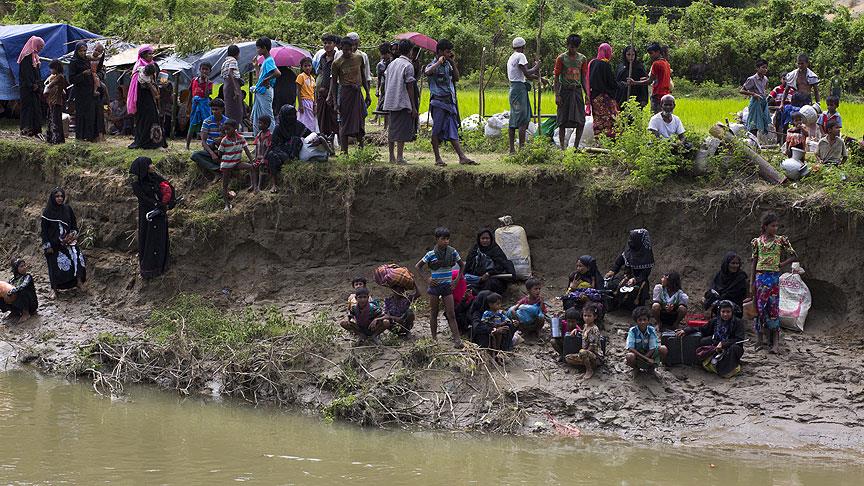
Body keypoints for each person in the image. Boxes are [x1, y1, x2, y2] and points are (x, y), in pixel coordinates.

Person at [425, 39, 477, 166]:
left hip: (449, 102)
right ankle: (438, 158)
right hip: (438, 102)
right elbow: (427, 72)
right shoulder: (432, 64)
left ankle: (462, 157)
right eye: (447, 52)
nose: (449, 54)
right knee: (436, 130)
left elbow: (457, 78)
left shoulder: (448, 65)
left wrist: (452, 63)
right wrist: (438, 62)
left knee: (452, 129)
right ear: (441, 52)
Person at [751, 211, 797, 353]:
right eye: (772, 226)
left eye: (777, 226)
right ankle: (760, 340)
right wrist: (751, 282)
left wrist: (781, 265)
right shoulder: (757, 242)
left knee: (773, 309)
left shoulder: (781, 240)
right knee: (759, 309)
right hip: (760, 278)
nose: (775, 228)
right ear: (765, 226)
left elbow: (794, 256)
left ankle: (775, 343)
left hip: (773, 279)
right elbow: (754, 262)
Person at [415, 227, 465, 349]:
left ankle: (457, 339)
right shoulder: (430, 254)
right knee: (434, 312)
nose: (446, 241)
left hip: (447, 287)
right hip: (435, 287)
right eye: (443, 239)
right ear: (437, 239)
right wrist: (427, 279)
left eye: (448, 239)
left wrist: (456, 280)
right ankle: (434, 339)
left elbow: (462, 265)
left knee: (451, 313)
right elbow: (418, 266)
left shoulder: (452, 252)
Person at [676, 300, 746, 378]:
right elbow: (703, 329)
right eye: (723, 312)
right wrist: (686, 330)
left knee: (735, 348)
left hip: (730, 347)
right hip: (716, 345)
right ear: (719, 312)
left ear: (732, 312)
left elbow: (739, 339)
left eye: (728, 312)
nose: (725, 314)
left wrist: (724, 344)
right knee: (703, 341)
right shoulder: (715, 320)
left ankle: (725, 370)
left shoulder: (738, 322)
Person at [130, 157, 170, 279]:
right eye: (150, 164)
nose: (153, 166)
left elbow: (168, 186)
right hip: (148, 215)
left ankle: (162, 266)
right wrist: (157, 204)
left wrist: (168, 201)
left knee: (161, 238)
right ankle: (150, 269)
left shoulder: (155, 177)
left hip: (160, 214)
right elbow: (143, 199)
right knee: (149, 240)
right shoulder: (137, 184)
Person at [40, 188, 86, 293]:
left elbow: (74, 225)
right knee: (54, 263)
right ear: (53, 198)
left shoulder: (67, 209)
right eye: (57, 196)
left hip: (68, 241)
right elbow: (44, 232)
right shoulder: (47, 213)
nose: (60, 198)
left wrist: (72, 235)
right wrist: (48, 246)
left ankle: (79, 282)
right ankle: (54, 289)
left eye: (61, 196)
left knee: (77, 257)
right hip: (54, 244)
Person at [329, 36, 369, 154]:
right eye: (344, 50)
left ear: (352, 48)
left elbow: (363, 76)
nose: (347, 52)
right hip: (345, 94)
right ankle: (344, 151)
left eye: (349, 49)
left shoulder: (359, 58)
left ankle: (361, 150)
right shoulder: (337, 63)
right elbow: (334, 83)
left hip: (357, 93)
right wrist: (335, 103)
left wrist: (367, 93)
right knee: (344, 122)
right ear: (341, 48)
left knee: (360, 121)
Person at [382, 39, 416, 165]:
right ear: (410, 51)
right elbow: (410, 86)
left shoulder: (392, 63)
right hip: (402, 101)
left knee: (392, 128)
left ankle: (391, 156)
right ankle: (400, 157)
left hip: (391, 100)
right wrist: (413, 106)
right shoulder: (408, 65)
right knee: (401, 129)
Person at [265, 104, 311, 192]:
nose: (292, 117)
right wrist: (283, 155)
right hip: (281, 151)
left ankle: (293, 162)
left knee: (296, 139)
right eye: (289, 115)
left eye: (294, 114)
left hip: (294, 151)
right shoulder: (278, 128)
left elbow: (310, 135)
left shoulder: (298, 125)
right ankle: (274, 184)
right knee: (271, 155)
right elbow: (273, 145)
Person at [507, 37, 540, 153]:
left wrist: (539, 78)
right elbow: (527, 72)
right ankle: (522, 149)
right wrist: (536, 66)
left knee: (513, 119)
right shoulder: (520, 56)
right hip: (519, 90)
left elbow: (526, 75)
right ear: (523, 47)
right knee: (522, 120)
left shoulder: (511, 57)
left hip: (513, 89)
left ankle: (512, 149)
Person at [606, 228, 654, 308]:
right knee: (611, 284)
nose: (630, 241)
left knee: (637, 290)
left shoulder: (647, 255)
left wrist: (635, 279)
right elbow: (619, 262)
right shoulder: (629, 250)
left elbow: (645, 273)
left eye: (633, 239)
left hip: (640, 279)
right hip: (626, 276)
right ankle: (614, 305)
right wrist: (612, 271)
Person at [128, 47, 163, 149]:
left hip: (151, 96)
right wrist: (149, 84)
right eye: (149, 54)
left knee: (153, 117)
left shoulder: (153, 65)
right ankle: (144, 141)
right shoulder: (139, 67)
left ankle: (155, 141)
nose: (151, 56)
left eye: (152, 53)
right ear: (143, 55)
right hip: (141, 97)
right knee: (144, 118)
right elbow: (139, 82)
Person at [463, 228, 515, 295]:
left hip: (493, 277)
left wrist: (489, 273)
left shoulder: (495, 250)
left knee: (490, 284)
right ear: (479, 239)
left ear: (491, 239)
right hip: (477, 278)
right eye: (483, 238)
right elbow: (468, 265)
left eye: (487, 238)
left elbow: (501, 265)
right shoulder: (475, 250)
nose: (485, 240)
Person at [218, 118, 254, 211]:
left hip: (237, 163)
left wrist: (251, 160)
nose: (226, 131)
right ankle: (226, 204)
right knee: (225, 185)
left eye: (228, 129)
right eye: (225, 129)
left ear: (235, 128)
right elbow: (220, 153)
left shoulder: (241, 138)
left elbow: (247, 150)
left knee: (251, 167)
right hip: (226, 165)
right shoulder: (224, 140)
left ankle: (253, 186)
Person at [190, 98, 228, 179]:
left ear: (222, 109)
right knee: (195, 155)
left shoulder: (227, 122)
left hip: (224, 149)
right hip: (211, 148)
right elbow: (203, 141)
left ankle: (221, 169)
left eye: (216, 109)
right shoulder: (207, 121)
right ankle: (217, 170)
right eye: (213, 109)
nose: (214, 111)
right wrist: (212, 154)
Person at [586, 42, 618, 138]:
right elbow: (611, 83)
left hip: (594, 97)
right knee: (610, 120)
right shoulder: (605, 65)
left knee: (598, 120)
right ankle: (609, 142)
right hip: (605, 97)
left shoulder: (592, 63)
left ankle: (598, 140)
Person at [628, 43, 671, 114]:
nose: (650, 56)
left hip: (658, 95)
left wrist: (634, 82)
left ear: (658, 52)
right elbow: (657, 77)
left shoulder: (656, 64)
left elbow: (649, 81)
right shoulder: (666, 63)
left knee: (656, 119)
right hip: (666, 94)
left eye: (651, 53)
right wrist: (646, 78)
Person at [69, 41, 99, 142]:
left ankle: (89, 135)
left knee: (90, 113)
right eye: (81, 51)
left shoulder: (86, 59)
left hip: (89, 90)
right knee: (81, 114)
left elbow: (96, 60)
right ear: (77, 51)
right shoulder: (74, 62)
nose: (83, 53)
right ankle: (81, 135)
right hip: (80, 92)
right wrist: (83, 74)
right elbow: (71, 79)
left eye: (84, 51)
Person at [704, 252, 749, 318]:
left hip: (734, 305)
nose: (735, 266)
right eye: (733, 263)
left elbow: (736, 294)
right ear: (727, 264)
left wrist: (719, 299)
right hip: (719, 301)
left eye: (737, 263)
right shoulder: (720, 275)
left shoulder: (741, 276)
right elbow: (713, 288)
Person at [565, 303, 602, 380]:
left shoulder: (594, 329)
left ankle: (589, 370)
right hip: (586, 354)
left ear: (595, 317)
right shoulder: (586, 326)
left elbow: (592, 346)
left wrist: (582, 354)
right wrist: (576, 330)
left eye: (589, 316)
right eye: (585, 315)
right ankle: (587, 365)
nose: (587, 318)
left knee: (582, 352)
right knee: (567, 358)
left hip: (595, 355)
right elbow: (583, 333)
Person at [625, 306, 667, 374]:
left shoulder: (651, 330)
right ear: (636, 321)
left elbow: (652, 348)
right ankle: (636, 369)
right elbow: (631, 348)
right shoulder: (632, 331)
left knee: (663, 349)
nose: (643, 322)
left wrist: (647, 358)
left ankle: (651, 369)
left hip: (649, 354)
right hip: (638, 355)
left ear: (648, 320)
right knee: (629, 356)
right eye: (640, 320)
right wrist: (646, 359)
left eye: (645, 319)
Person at [17, 36, 45, 137]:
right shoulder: (26, 57)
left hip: (35, 88)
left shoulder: (35, 56)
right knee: (27, 108)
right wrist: (32, 84)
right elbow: (25, 73)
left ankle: (35, 129)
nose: (41, 48)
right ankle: (26, 128)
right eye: (40, 46)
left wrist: (38, 84)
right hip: (27, 88)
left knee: (35, 108)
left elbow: (37, 73)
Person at [252, 37, 280, 135]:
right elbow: (260, 78)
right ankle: (258, 138)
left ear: (264, 48)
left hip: (265, 91)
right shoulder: (265, 61)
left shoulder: (269, 61)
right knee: (257, 115)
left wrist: (267, 79)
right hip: (260, 91)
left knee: (267, 115)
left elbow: (277, 73)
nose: (257, 50)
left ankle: (272, 136)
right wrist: (256, 67)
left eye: (258, 48)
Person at [315, 34, 340, 140]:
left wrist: (330, 92)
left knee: (333, 118)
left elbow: (334, 78)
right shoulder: (322, 57)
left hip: (334, 91)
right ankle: (326, 140)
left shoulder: (337, 57)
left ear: (334, 44)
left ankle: (338, 140)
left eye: (329, 43)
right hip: (321, 92)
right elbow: (320, 72)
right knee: (322, 117)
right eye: (325, 43)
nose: (327, 45)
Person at [479, 293, 515, 360]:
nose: (499, 305)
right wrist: (494, 325)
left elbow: (505, 318)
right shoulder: (487, 313)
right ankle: (494, 352)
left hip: (500, 329)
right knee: (494, 339)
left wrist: (509, 322)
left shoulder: (499, 313)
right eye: (497, 304)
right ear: (490, 304)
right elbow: (484, 321)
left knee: (503, 333)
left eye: (500, 304)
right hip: (492, 329)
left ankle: (499, 351)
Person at [0, 258, 38, 323]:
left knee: (21, 290)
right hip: (18, 303)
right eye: (21, 266)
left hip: (31, 304)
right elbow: (7, 288)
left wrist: (14, 290)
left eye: (24, 265)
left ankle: (26, 313)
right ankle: (14, 311)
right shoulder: (12, 279)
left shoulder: (27, 277)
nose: (24, 267)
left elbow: (23, 285)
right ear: (16, 269)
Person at [185, 62, 213, 149]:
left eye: (206, 69)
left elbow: (206, 95)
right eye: (202, 69)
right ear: (200, 70)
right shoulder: (194, 80)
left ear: (209, 72)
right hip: (195, 105)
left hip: (204, 105)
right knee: (192, 124)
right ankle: (187, 146)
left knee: (207, 123)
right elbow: (190, 93)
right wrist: (188, 105)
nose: (204, 71)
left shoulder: (210, 83)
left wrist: (207, 81)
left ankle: (207, 144)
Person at [740, 59, 771, 138]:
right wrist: (753, 94)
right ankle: (752, 142)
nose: (765, 69)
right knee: (753, 124)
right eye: (763, 67)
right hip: (755, 102)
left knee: (763, 122)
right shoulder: (752, 79)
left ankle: (756, 143)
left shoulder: (765, 79)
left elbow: (764, 89)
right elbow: (742, 90)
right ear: (757, 68)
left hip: (763, 102)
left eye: (766, 68)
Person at [44, 60, 68, 144]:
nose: (51, 71)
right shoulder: (58, 76)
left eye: (52, 69)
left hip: (56, 101)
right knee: (53, 120)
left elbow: (49, 86)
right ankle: (54, 139)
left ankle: (56, 140)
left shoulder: (59, 77)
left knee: (55, 121)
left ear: (56, 68)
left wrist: (46, 90)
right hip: (54, 101)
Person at [222, 45, 245, 126]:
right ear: (237, 53)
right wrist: (235, 89)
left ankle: (229, 126)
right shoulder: (233, 61)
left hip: (226, 86)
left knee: (229, 107)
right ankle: (235, 127)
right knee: (237, 108)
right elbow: (230, 73)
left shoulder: (225, 62)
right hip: (232, 85)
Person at [295, 57, 318, 133]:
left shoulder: (312, 78)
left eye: (309, 65)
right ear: (302, 67)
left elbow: (314, 92)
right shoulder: (301, 76)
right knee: (304, 119)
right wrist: (300, 104)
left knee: (311, 120)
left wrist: (315, 104)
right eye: (305, 66)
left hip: (311, 102)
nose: (307, 68)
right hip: (304, 101)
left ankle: (311, 134)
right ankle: (303, 135)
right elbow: (298, 91)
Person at [250, 114, 271, 193]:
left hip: (264, 158)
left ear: (266, 125)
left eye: (260, 123)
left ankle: (259, 186)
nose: (258, 125)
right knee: (252, 166)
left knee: (261, 168)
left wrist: (263, 158)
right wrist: (255, 158)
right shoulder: (259, 135)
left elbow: (268, 148)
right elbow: (256, 147)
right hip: (258, 157)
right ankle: (253, 185)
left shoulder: (269, 136)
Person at [374, 42, 392, 125]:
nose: (384, 56)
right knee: (383, 106)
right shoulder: (380, 65)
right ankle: (385, 126)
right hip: (384, 87)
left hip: (391, 87)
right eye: (383, 54)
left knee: (390, 106)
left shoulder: (393, 62)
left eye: (386, 54)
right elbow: (379, 78)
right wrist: (377, 89)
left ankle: (388, 125)